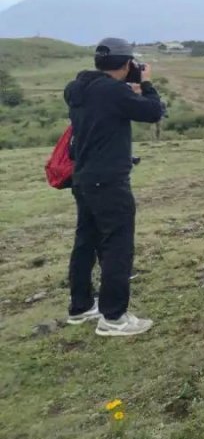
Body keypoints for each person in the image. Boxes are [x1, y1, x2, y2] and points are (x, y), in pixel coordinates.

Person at [63, 37, 164, 336]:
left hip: (83, 177)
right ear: (126, 64)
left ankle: (80, 307)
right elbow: (153, 111)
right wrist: (146, 84)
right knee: (118, 245)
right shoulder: (112, 91)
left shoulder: (78, 88)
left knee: (85, 242)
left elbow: (105, 112)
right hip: (108, 182)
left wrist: (127, 90)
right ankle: (114, 317)